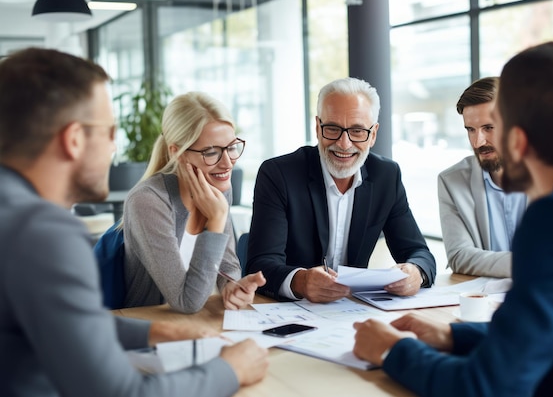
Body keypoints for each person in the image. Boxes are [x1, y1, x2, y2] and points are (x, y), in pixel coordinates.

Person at [353, 40, 553, 396]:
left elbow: (485, 386)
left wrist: (391, 349)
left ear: (518, 139)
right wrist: (453, 334)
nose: (480, 141)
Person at [0, 47, 268, 397]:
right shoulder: (43, 235)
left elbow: (72, 327)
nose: (115, 146)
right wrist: (231, 370)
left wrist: (156, 332)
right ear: (74, 139)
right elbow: (123, 393)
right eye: (110, 131)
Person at [246, 77, 436, 303]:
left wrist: (416, 272)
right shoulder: (278, 174)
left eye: (357, 131)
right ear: (318, 127)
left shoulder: (386, 175)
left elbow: (419, 253)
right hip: (290, 311)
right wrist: (301, 281)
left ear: (373, 134)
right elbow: (260, 266)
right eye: (333, 128)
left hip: (352, 313)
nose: (344, 144)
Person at [122, 91, 266, 313]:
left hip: (203, 322)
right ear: (177, 153)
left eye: (231, 147)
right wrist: (216, 221)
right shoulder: (147, 202)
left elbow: (227, 266)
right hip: (153, 328)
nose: (227, 163)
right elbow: (186, 302)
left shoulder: (217, 187)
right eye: (211, 152)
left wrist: (231, 287)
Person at [438, 77, 526, 277]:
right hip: (484, 301)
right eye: (471, 130)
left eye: (489, 128)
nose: (478, 142)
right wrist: (529, 263)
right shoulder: (451, 181)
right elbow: (459, 256)